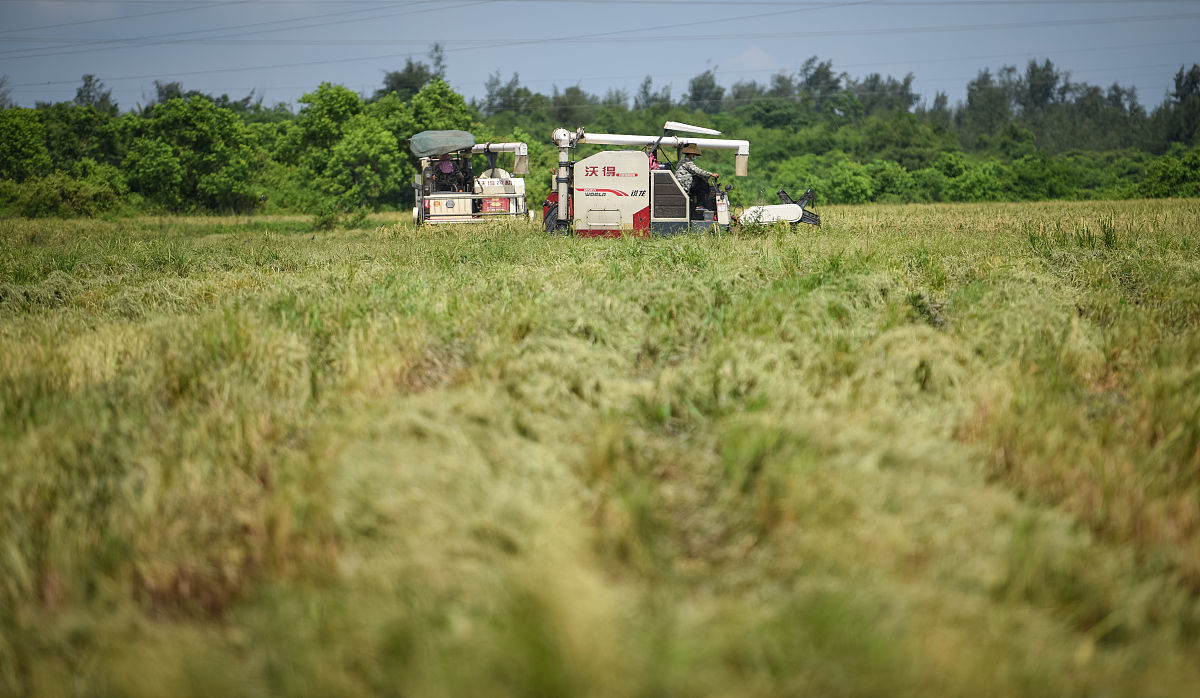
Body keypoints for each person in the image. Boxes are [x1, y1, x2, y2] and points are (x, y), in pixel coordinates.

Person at [674, 144, 719, 214]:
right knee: (703, 184)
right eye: (694, 155)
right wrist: (711, 174)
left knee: (700, 181)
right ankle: (700, 205)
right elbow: (697, 171)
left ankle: (699, 204)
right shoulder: (687, 162)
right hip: (685, 185)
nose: (694, 157)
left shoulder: (682, 161)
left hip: (681, 184)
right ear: (690, 155)